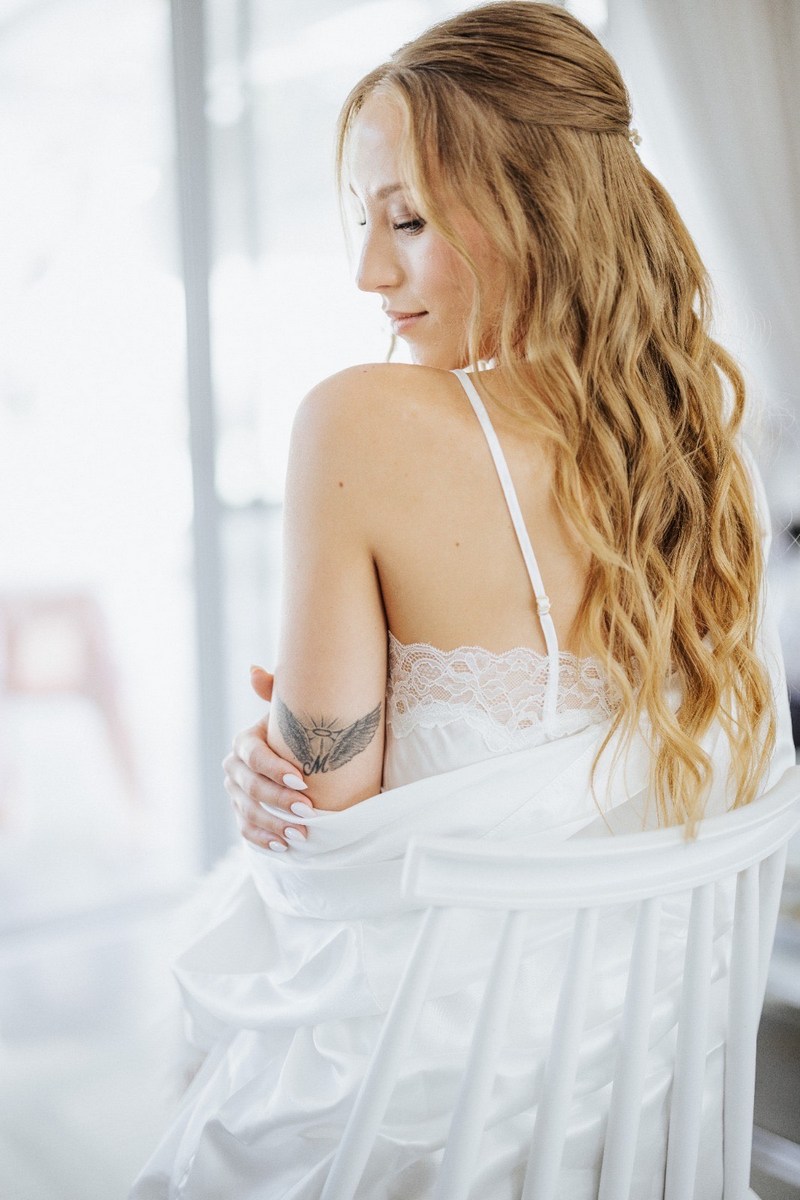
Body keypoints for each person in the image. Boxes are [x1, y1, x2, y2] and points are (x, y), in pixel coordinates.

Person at [131, 3, 795, 1197]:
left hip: (429, 1098)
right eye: (363, 221)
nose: (367, 272)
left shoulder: (361, 421)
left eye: (409, 220)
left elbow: (318, 823)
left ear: (540, 209)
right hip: (637, 1093)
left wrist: (274, 757)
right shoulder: (705, 434)